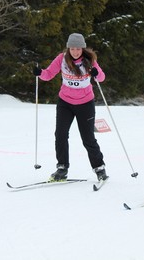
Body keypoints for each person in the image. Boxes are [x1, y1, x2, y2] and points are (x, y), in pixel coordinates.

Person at [33, 33, 108, 182]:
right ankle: (62, 167)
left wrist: (96, 73)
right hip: (65, 103)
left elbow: (101, 78)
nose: (75, 52)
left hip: (85, 103)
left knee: (88, 138)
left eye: (78, 48)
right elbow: (48, 74)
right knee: (60, 134)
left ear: (82, 48)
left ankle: (99, 168)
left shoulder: (90, 60)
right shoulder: (62, 59)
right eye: (72, 48)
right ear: (68, 48)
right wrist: (39, 73)